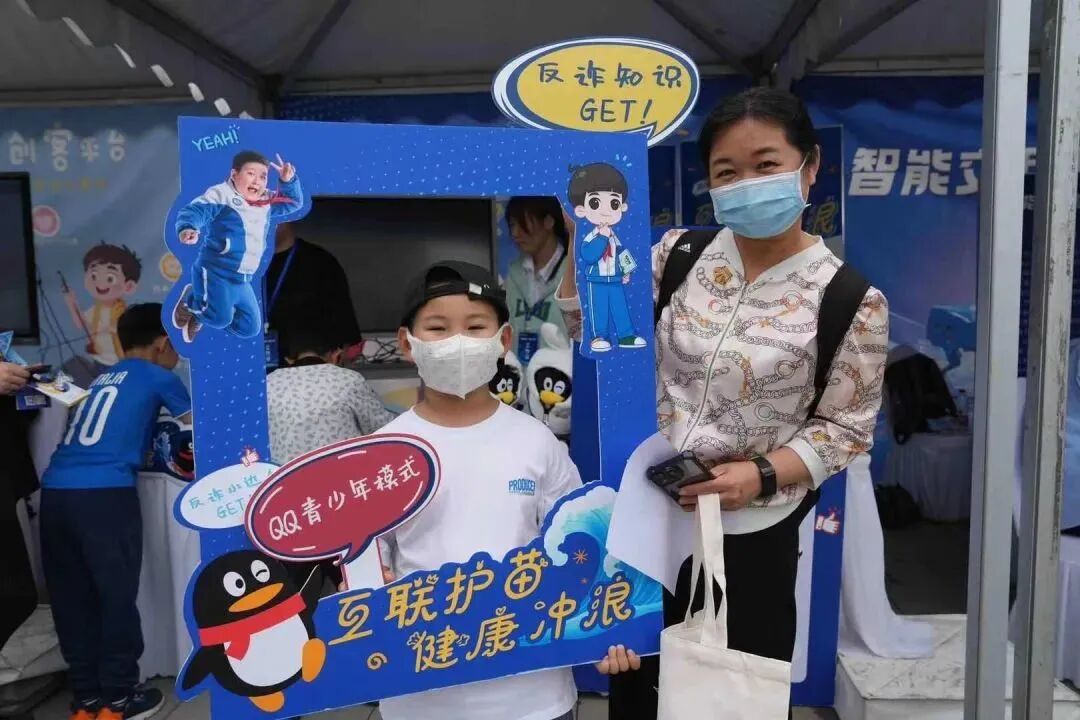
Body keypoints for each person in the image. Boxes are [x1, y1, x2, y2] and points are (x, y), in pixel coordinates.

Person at [557, 87, 889, 718]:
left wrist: (760, 475)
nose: (747, 184)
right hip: (652, 516)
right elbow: (593, 332)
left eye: (766, 165)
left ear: (809, 167)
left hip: (753, 530)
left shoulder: (850, 297)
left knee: (733, 693)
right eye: (727, 172)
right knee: (639, 680)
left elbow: (845, 428)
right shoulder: (677, 256)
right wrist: (581, 242)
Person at [375, 261, 586, 720]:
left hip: (533, 695)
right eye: (437, 328)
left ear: (503, 340)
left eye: (475, 327)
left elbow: (581, 543)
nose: (458, 341)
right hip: (420, 693)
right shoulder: (382, 453)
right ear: (407, 343)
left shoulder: (537, 442)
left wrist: (610, 624)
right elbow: (367, 559)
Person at [40, 303, 192, 720]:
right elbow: (197, 427)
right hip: (105, 496)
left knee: (73, 600)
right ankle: (120, 699)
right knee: (115, 598)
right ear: (163, 343)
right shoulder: (161, 377)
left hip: (56, 494)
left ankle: (86, 700)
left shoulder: (99, 378)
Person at [172, 150, 303, 343]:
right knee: (219, 319)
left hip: (243, 278)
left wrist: (288, 181)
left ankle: (206, 310)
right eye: (251, 174)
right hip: (216, 271)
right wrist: (188, 227)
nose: (257, 181)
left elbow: (292, 203)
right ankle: (192, 301)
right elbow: (196, 210)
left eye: (263, 176)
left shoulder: (265, 200)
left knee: (249, 328)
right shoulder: (222, 194)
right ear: (234, 174)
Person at [267, 318, 394, 465]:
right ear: (336, 355)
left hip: (284, 476)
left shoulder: (268, 383)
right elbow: (383, 428)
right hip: (343, 474)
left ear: (288, 359)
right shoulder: (348, 379)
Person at [265, 222, 363, 366]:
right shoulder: (237, 263)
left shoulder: (321, 262)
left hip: (306, 373)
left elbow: (346, 337)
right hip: (244, 369)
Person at [504, 197, 570, 364]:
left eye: (523, 223)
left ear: (548, 221)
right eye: (512, 225)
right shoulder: (513, 274)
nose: (515, 233)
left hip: (560, 374)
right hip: (519, 375)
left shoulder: (573, 274)